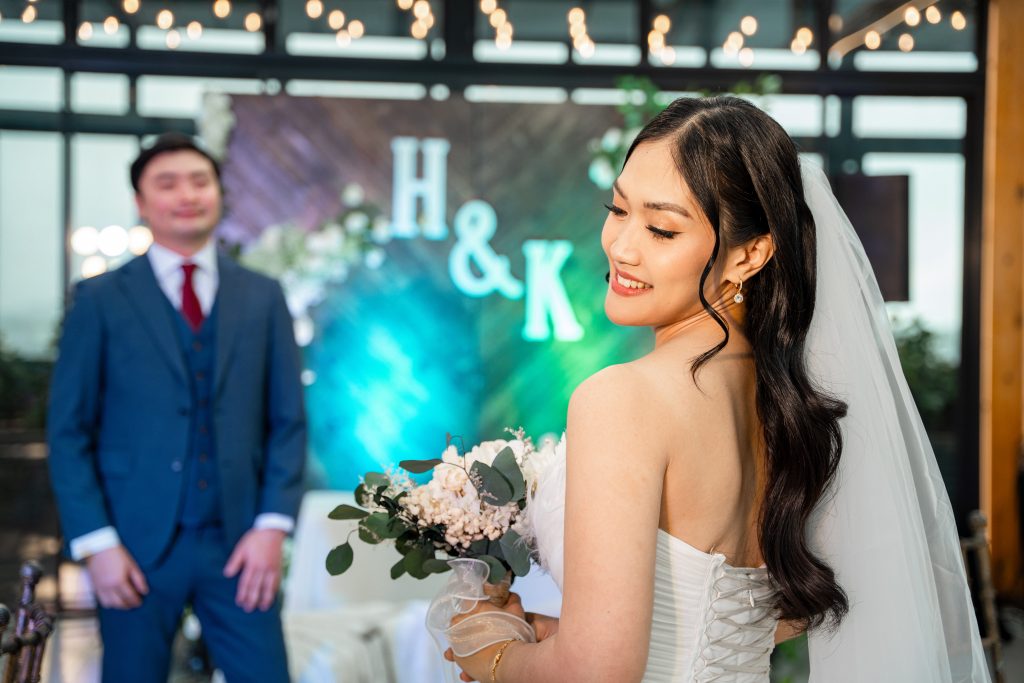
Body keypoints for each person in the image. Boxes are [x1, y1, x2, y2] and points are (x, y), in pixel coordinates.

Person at [442, 96, 990, 682]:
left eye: (661, 229)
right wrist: (563, 637)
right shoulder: (790, 402)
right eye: (618, 209)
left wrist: (492, 653)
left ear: (750, 254)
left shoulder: (622, 400)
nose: (622, 247)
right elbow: (759, 619)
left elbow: (598, 672)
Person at [47, 133, 306, 682]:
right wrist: (96, 543)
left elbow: (287, 422)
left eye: (199, 181)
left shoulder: (262, 296)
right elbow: (68, 432)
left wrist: (271, 528)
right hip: (132, 546)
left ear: (219, 193)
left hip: (240, 544)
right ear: (141, 203)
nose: (187, 195)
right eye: (167, 184)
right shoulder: (99, 299)